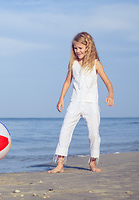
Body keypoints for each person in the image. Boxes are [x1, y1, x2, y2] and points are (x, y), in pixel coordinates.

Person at [48, 32, 114, 173]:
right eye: (75, 48)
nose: (77, 51)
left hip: (91, 104)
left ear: (88, 47)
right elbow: (67, 82)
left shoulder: (95, 63)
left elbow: (107, 82)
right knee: (65, 130)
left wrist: (110, 95)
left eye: (80, 48)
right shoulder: (73, 64)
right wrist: (61, 99)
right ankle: (60, 164)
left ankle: (93, 162)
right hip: (75, 102)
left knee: (94, 134)